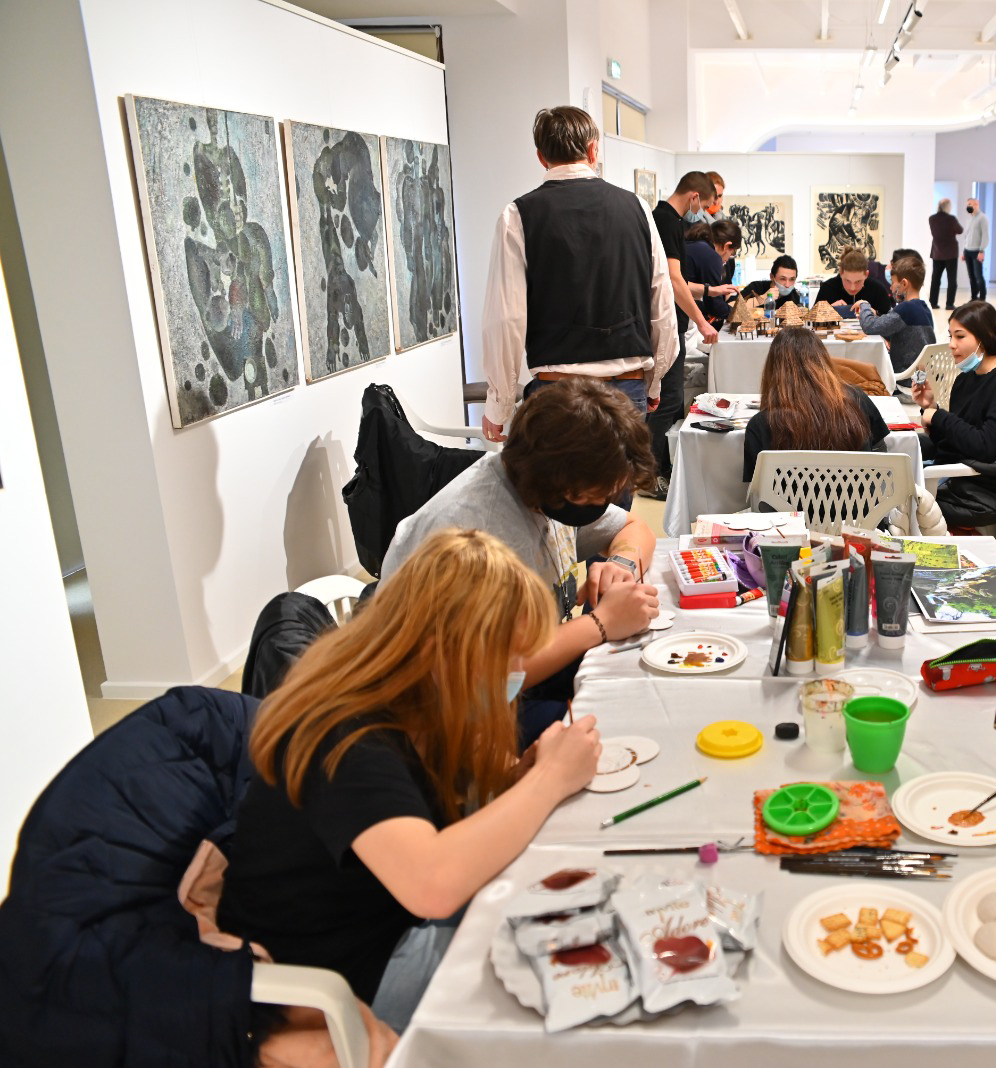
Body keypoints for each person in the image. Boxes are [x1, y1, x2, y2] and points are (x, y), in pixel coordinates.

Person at [218, 528, 606, 1027]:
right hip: (331, 980)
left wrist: (523, 775)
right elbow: (433, 884)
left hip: (387, 922)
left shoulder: (426, 701)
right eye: (504, 657)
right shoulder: (344, 734)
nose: (516, 672)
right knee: (559, 977)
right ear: (438, 651)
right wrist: (547, 778)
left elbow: (459, 808)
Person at [383, 378, 660, 742]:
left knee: (643, 679)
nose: (604, 503)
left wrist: (621, 564)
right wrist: (600, 623)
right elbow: (485, 679)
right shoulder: (473, 533)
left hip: (516, 678)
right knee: (619, 727)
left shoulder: (543, 489)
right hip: (452, 718)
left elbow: (636, 529)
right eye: (596, 496)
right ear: (558, 483)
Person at [480, 106, 674, 447]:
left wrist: (500, 405)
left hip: (556, 393)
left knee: (557, 483)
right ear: (593, 150)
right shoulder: (638, 209)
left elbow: (506, 319)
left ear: (541, 157)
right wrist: (655, 379)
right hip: (625, 388)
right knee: (619, 484)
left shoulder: (518, 215)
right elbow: (661, 302)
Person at [913, 301, 996, 524]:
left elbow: (986, 447)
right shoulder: (965, 379)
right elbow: (955, 442)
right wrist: (930, 408)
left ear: (985, 337)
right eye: (950, 336)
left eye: (960, 336)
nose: (951, 345)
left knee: (891, 497)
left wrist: (939, 417)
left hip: (977, 487)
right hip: (955, 471)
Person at [647, 171, 722, 497]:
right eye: (703, 205)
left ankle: (660, 469)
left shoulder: (666, 220)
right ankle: (650, 475)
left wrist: (709, 291)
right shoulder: (667, 221)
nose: (702, 213)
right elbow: (674, 281)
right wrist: (702, 323)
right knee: (666, 401)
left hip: (669, 324)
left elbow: (677, 280)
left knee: (670, 400)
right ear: (693, 197)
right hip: (665, 326)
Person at [742, 327, 890, 482]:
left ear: (773, 368)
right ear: (823, 360)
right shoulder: (857, 400)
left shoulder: (760, 424)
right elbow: (881, 458)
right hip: (859, 496)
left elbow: (756, 488)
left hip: (788, 499)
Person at [855, 252, 936, 373]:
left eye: (893, 283)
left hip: (905, 376)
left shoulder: (906, 309)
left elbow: (869, 327)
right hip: (923, 374)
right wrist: (876, 316)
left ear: (904, 284)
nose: (891, 287)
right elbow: (895, 330)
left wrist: (864, 305)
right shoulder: (924, 308)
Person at [684, 218, 742, 330]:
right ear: (727, 246)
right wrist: (739, 314)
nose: (728, 259)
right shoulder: (711, 255)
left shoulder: (694, 245)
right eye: (732, 253)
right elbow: (714, 305)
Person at [815, 247, 893, 316]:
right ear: (841, 272)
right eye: (848, 281)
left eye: (858, 281)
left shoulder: (877, 290)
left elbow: (891, 320)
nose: (852, 288)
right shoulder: (827, 288)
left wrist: (876, 314)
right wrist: (827, 310)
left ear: (866, 274)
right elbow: (812, 320)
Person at [928, 199, 963, 310]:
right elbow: (960, 230)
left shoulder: (932, 218)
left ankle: (933, 303)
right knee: (952, 280)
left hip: (937, 252)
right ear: (947, 207)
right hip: (950, 253)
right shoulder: (951, 219)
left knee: (935, 279)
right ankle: (949, 304)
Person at [962, 197, 990, 304]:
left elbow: (985, 236)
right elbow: (967, 236)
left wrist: (981, 251)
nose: (968, 206)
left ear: (976, 204)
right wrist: (964, 251)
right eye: (968, 204)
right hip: (967, 251)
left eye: (970, 204)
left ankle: (982, 299)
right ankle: (974, 297)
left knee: (978, 276)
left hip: (977, 251)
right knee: (971, 276)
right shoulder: (970, 218)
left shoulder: (982, 218)